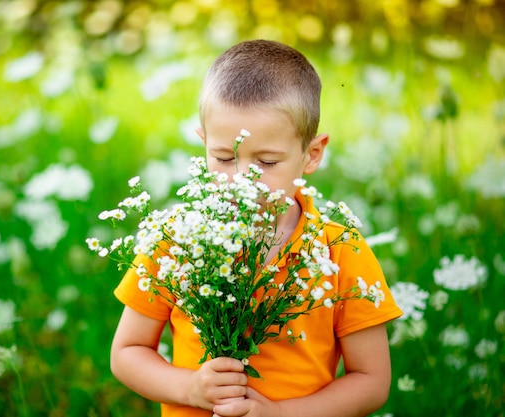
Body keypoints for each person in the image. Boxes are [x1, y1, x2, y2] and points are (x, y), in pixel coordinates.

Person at [110, 39, 403, 417]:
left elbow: (371, 380)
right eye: (223, 157)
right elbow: (127, 353)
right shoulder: (177, 240)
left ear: (311, 154)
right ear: (203, 142)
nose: (241, 180)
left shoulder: (340, 250)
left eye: (266, 162)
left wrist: (282, 415)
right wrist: (191, 389)